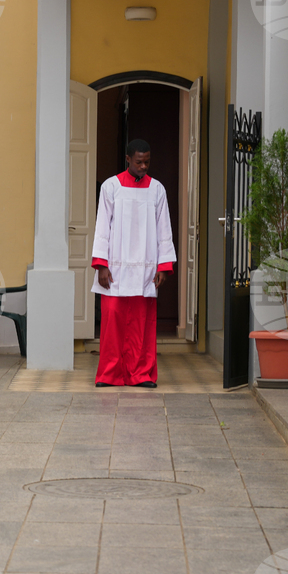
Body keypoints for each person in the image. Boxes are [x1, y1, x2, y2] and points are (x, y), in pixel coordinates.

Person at [91, 139, 177, 388]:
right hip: (115, 267)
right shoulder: (111, 187)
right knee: (113, 321)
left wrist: (163, 267)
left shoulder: (157, 190)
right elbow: (101, 229)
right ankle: (110, 374)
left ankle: (141, 374)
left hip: (145, 268)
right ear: (128, 159)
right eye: (139, 162)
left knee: (142, 324)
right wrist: (101, 265)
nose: (143, 166)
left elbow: (164, 230)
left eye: (147, 162)